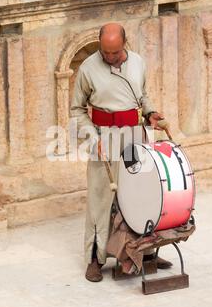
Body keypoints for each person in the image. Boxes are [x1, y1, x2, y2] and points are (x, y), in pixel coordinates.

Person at [70, 23, 172, 282]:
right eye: (105, 52)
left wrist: (151, 113)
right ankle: (95, 258)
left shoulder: (138, 62)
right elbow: (77, 110)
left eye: (114, 53)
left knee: (140, 195)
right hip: (104, 139)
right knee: (100, 198)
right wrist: (93, 137)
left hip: (134, 138)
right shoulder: (88, 68)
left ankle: (145, 253)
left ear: (124, 44)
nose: (109, 57)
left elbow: (143, 96)